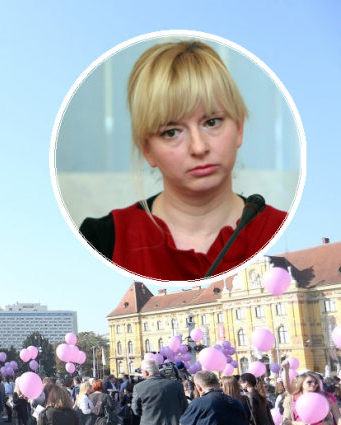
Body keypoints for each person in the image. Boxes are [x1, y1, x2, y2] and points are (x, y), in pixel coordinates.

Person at [78, 40, 287, 281]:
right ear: (148, 149)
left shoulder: (281, 230)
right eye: (171, 131)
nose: (198, 147)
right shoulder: (100, 240)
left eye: (212, 122)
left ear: (239, 127)